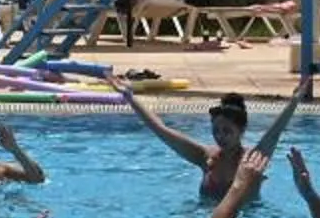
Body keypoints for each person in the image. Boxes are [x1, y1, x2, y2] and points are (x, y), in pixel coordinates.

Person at [118, 86, 301, 201]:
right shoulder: (205, 157)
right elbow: (162, 131)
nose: (220, 137)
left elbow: (275, 131)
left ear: (242, 130)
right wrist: (130, 97)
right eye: (216, 131)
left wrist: (294, 102)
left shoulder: (252, 160)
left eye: (227, 131)